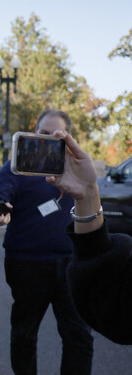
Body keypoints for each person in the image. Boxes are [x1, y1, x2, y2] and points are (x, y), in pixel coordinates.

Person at [0, 109, 114, 375]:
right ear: (33, 133)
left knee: (79, 335)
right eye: (42, 132)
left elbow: (94, 210)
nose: (48, 140)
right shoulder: (19, 165)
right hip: (27, 263)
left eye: (56, 135)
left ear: (67, 139)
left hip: (72, 264)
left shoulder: (78, 168)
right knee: (25, 329)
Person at [46, 131, 132, 345]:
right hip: (32, 262)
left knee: (77, 339)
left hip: (65, 259)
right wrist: (87, 194)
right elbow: (115, 311)